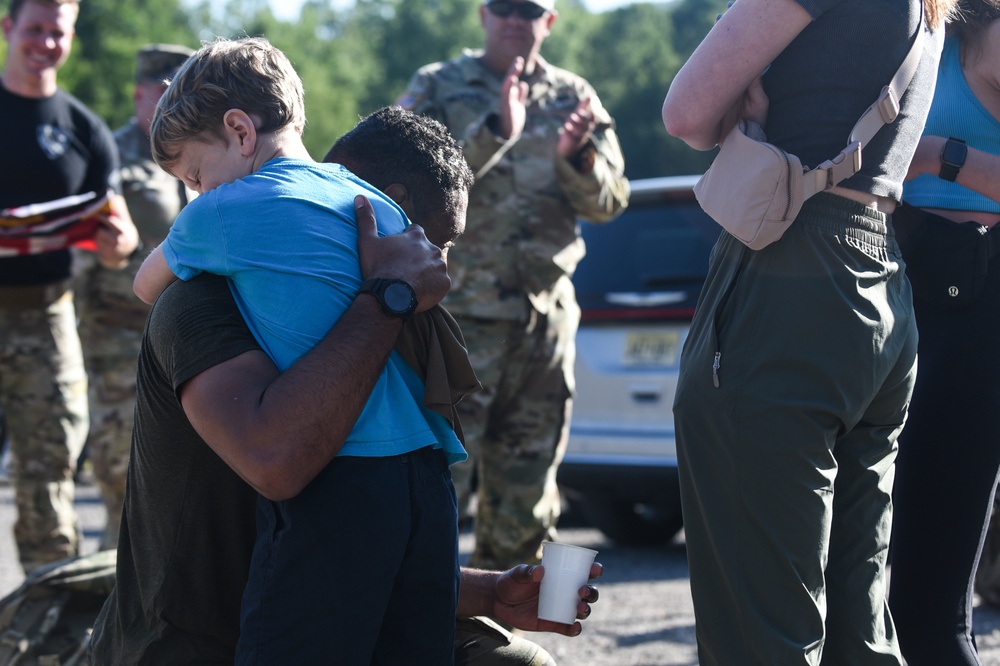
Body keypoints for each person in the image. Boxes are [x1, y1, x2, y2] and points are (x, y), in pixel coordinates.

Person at [91, 193, 600, 665]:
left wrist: (489, 593)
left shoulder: (385, 322)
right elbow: (276, 463)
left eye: (440, 251)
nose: (432, 268)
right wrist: (388, 297)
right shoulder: (203, 301)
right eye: (419, 246)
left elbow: (361, 550)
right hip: (191, 642)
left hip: (316, 610)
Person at [661, 0, 957, 663]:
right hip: (882, 276)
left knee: (760, 626)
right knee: (859, 618)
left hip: (789, 273)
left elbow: (686, 114)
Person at [396, 0, 630, 571]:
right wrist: (496, 130)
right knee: (436, 483)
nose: (514, 19)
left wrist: (579, 160)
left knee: (527, 495)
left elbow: (610, 202)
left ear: (549, 22)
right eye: (503, 7)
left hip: (544, 323)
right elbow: (400, 188)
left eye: (530, 9)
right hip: (458, 321)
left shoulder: (574, 95)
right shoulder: (438, 87)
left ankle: (499, 638)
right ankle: (422, 633)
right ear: (483, 15)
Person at [0, 0, 138, 574]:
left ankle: (44, 626)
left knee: (49, 469)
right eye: (35, 29)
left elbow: (120, 227)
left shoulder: (83, 130)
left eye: (58, 32)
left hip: (48, 317)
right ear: (8, 29)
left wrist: (117, 243)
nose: (46, 43)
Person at [888, 2, 1000, 663]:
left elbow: (906, 157)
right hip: (893, 297)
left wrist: (935, 155)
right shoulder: (917, 35)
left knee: (930, 610)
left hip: (976, 313)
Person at [73, 43, 194, 551]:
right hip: (121, 339)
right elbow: (80, 251)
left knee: (181, 488)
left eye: (182, 92)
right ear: (140, 93)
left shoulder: (205, 153)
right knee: (123, 479)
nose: (172, 102)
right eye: (164, 91)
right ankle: (111, 605)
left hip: (190, 340)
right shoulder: (108, 155)